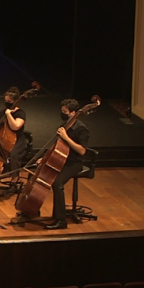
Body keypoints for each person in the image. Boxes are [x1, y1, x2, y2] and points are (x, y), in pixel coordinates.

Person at [45, 99, 90, 230]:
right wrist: (45, 158)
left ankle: (61, 220)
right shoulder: (65, 125)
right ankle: (31, 210)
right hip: (61, 160)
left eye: (65, 112)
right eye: (62, 111)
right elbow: (57, 146)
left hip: (74, 164)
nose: (62, 114)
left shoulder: (81, 129)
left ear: (73, 113)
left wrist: (66, 137)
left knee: (57, 183)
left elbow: (82, 150)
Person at [0, 86, 28, 191]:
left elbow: (15, 126)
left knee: (14, 154)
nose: (7, 103)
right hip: (4, 139)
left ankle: (15, 178)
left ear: (16, 101)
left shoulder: (20, 113)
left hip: (18, 140)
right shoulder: (2, 112)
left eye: (9, 101)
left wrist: (9, 115)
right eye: (5, 101)